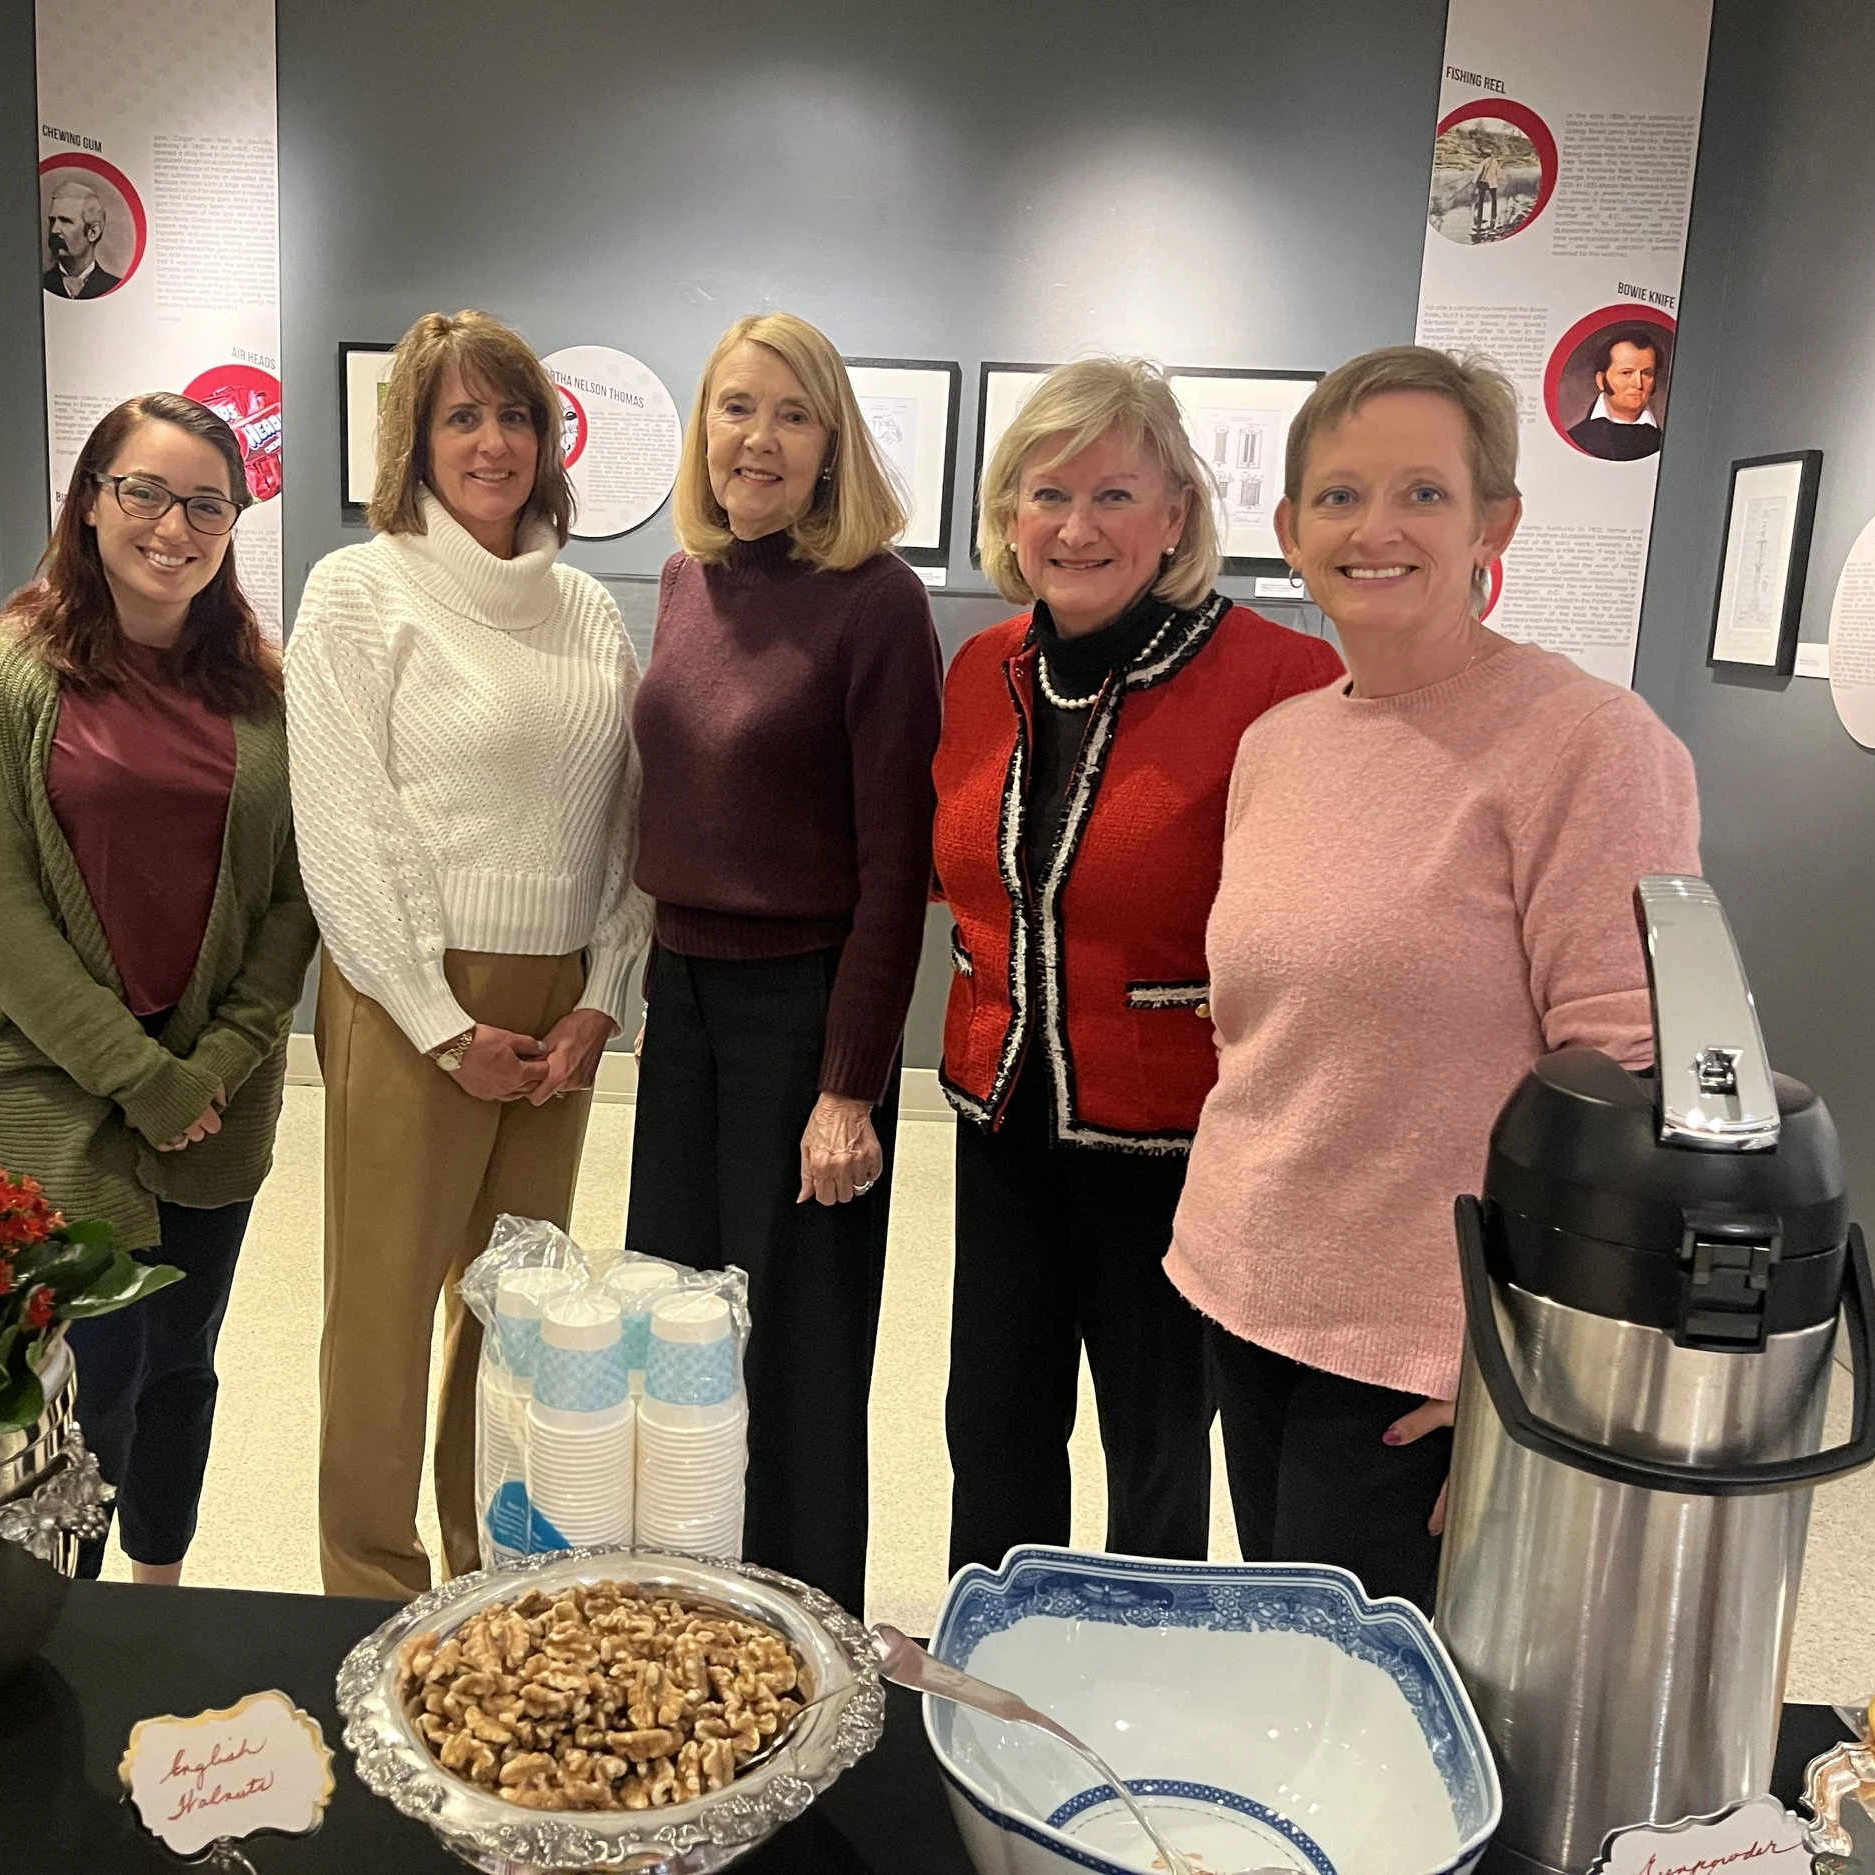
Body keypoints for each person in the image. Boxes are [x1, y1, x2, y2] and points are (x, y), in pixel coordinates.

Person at [1167, 345, 1701, 1611]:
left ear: (1491, 524)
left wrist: (1534, 1365)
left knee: (1380, 1702)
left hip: (1428, 1350)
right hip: (1247, 1289)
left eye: (1422, 493)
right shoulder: (1281, 743)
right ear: (1289, 532)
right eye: (1339, 497)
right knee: (1289, 1665)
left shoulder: (1588, 744)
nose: (1375, 530)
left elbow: (1632, 1084)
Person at [934, 360, 1341, 1576]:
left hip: (1178, 1142)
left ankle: (1140, 1655)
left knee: (1154, 1445)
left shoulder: (1280, 681)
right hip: (1002, 1117)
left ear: (1175, 516)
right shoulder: (983, 666)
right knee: (991, 1424)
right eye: (1047, 494)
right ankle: (987, 1651)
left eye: (1113, 494)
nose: (1076, 527)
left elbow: (1316, 941)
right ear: (1010, 515)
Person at [287, 310, 649, 1601]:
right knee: (383, 1308)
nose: (491, 443)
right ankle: (369, 1588)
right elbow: (343, 823)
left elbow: (626, 823)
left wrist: (602, 997)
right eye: (460, 416)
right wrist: (440, 1022)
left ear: (548, 440)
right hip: (411, 998)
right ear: (415, 440)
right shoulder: (358, 590)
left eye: (514, 416)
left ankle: (487, 1564)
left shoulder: (589, 610)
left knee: (517, 1309)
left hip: (560, 1012)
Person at [0, 392, 315, 1584]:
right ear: (90, 501)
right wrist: (142, 1079)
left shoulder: (263, 692)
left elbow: (293, 900)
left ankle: (160, 1596)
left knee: (182, 1367)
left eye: (207, 505)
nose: (172, 527)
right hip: (61, 1090)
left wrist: (215, 1065)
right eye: (143, 491)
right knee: (83, 1377)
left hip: (219, 1091)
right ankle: (69, 1626)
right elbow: (2, 923)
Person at [627, 311, 943, 1617]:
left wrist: (850, 1087)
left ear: (831, 445)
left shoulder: (878, 602)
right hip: (683, 1006)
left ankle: (811, 1639)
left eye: (792, 414)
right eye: (736, 407)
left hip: (804, 1016)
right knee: (675, 1333)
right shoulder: (682, 582)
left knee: (799, 1362)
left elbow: (895, 869)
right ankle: (687, 1618)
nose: (758, 439)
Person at [1566, 330, 1665, 460]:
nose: (1638, 384)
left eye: (1646, 373)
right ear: (1601, 380)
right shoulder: (1576, 438)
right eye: (1626, 373)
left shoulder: (1665, 441)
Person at [43, 179, 123, 300]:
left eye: (65, 221)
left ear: (93, 232)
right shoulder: (40, 284)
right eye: (52, 221)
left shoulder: (116, 288)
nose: (54, 230)